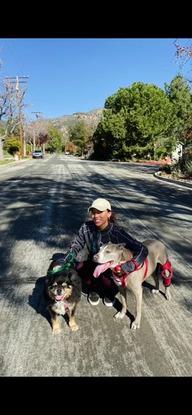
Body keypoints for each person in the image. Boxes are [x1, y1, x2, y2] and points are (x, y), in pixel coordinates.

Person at [49, 198, 148, 307]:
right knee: (77, 268)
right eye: (93, 212)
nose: (96, 216)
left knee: (108, 281)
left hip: (113, 269)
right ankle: (93, 289)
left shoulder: (117, 232)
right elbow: (76, 245)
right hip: (95, 261)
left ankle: (110, 293)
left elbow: (142, 249)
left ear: (109, 213)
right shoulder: (86, 227)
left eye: (100, 212)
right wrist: (65, 260)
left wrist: (128, 266)